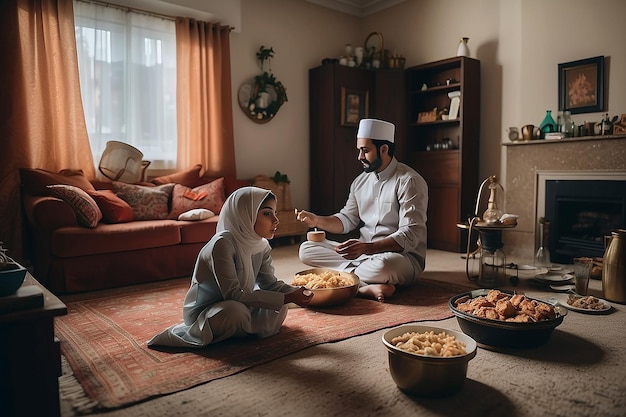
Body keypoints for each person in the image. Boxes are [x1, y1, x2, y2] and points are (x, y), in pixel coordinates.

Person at [148, 186, 313, 348]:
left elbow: (270, 284)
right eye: (267, 213)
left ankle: (241, 329)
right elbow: (233, 294)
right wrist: (287, 297)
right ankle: (237, 329)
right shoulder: (223, 244)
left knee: (278, 306)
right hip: (210, 310)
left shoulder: (261, 245)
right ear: (245, 214)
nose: (275, 220)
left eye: (274, 213)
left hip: (241, 303)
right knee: (235, 312)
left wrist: (295, 292)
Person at [297, 118, 428, 303]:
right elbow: (347, 219)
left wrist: (367, 248)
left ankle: (349, 281)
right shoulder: (360, 182)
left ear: (384, 149)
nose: (359, 156)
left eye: (365, 151)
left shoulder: (409, 181)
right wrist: (317, 220)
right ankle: (364, 286)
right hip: (363, 256)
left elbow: (411, 235)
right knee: (306, 250)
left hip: (400, 258)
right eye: (359, 150)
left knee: (384, 266)